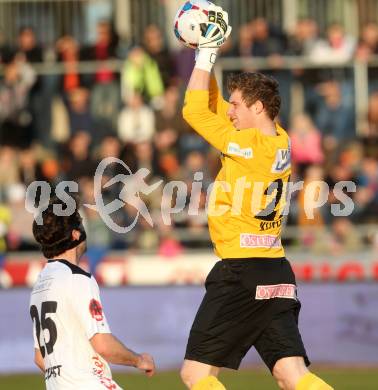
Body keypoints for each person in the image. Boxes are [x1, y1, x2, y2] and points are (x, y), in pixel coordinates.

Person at [179, 5, 333, 390]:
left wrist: (207, 54)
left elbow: (194, 110)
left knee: (195, 375)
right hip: (276, 269)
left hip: (241, 271)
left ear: (258, 107)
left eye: (237, 105)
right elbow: (212, 107)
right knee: (292, 375)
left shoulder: (245, 144)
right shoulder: (279, 140)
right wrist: (207, 61)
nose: (229, 111)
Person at [30, 196, 155, 389]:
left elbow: (40, 358)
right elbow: (103, 345)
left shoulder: (40, 283)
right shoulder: (77, 278)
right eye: (80, 223)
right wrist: (139, 360)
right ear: (75, 234)